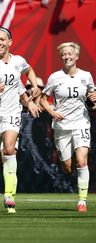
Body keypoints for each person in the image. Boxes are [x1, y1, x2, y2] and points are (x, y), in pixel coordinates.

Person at [0, 27, 41, 213]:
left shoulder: (18, 61)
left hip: (12, 114)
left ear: (10, 41)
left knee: (10, 149)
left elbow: (29, 71)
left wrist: (33, 88)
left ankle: (9, 195)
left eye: (2, 39)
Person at [39, 42, 95, 212]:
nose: (67, 56)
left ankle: (82, 202)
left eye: (70, 53)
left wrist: (94, 98)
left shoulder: (86, 76)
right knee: (67, 167)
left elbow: (93, 97)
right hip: (62, 126)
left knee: (81, 160)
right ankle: (69, 171)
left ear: (76, 56)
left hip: (81, 123)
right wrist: (52, 112)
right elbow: (42, 99)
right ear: (61, 57)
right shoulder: (55, 77)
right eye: (64, 54)